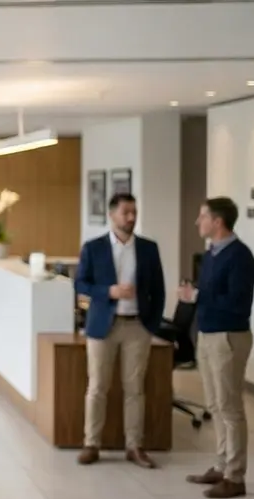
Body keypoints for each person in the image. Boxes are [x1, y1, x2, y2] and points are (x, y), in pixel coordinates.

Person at [73, 192, 165, 468]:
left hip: (137, 326)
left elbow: (159, 290)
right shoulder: (94, 248)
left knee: (135, 389)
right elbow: (80, 284)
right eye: (126, 212)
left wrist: (151, 325)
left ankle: (134, 446)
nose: (131, 217)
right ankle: (91, 443)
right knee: (97, 387)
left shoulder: (148, 248)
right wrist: (109, 291)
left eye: (134, 212)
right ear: (112, 215)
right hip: (103, 326)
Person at [183, 197, 254, 498]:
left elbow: (238, 304)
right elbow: (209, 294)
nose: (197, 222)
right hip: (208, 335)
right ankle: (222, 465)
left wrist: (198, 296)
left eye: (202, 217)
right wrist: (194, 295)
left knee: (230, 408)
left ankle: (235, 477)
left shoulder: (240, 256)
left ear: (218, 221)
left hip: (229, 337)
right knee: (215, 406)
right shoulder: (211, 253)